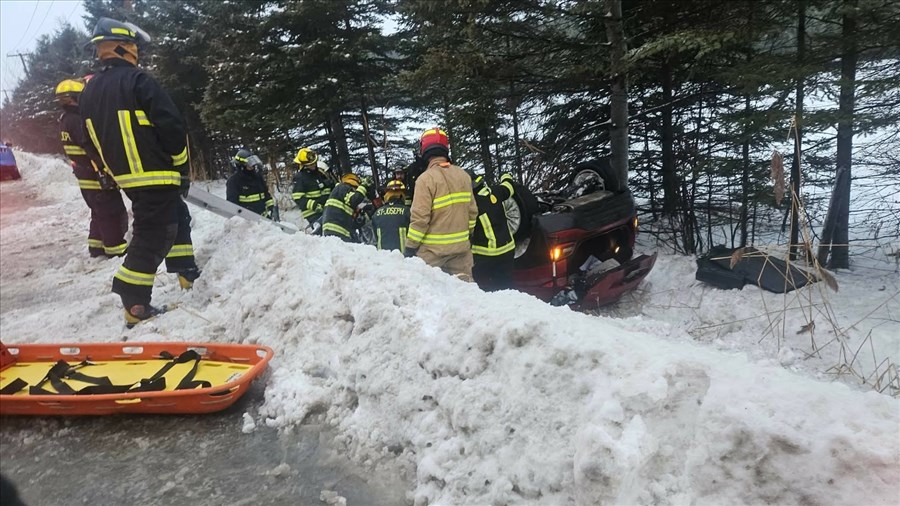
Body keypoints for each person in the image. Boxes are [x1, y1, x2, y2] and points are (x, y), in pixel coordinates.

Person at [79, 17, 201, 327]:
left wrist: (109, 171)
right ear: (123, 48)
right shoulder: (138, 81)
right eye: (133, 46)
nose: (136, 51)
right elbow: (172, 126)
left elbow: (88, 141)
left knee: (177, 216)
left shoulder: (89, 92)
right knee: (155, 232)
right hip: (156, 172)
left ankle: (185, 270)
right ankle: (133, 298)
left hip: (129, 178)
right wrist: (181, 167)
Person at [56, 78, 129, 258]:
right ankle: (116, 250)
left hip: (85, 174)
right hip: (95, 174)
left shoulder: (65, 119)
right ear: (75, 97)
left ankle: (96, 248)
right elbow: (92, 147)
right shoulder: (77, 120)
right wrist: (108, 168)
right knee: (111, 212)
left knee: (98, 212)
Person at [404, 128, 478, 281]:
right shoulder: (463, 176)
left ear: (424, 150)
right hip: (461, 253)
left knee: (430, 298)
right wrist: (468, 235)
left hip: (432, 256)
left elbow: (420, 219)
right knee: (466, 297)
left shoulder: (425, 179)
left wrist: (410, 248)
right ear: (445, 149)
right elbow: (472, 213)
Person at [468, 170, 517, 291]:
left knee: (484, 289)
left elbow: (468, 230)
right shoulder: (495, 192)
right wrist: (505, 175)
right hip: (508, 250)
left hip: (486, 254)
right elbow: (509, 187)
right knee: (505, 284)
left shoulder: (472, 205)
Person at [291, 147, 334, 229]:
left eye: (314, 163)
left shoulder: (318, 174)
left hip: (326, 209)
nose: (314, 165)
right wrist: (315, 206)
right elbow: (298, 197)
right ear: (303, 165)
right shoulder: (300, 177)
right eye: (310, 164)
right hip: (313, 213)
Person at [322, 173, 371, 242]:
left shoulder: (342, 195)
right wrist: (364, 186)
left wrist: (362, 218)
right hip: (336, 229)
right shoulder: (343, 187)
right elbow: (354, 200)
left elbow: (353, 223)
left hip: (341, 230)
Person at [226, 148, 273, 218]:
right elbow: (232, 204)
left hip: (264, 218)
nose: (253, 166)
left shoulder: (258, 177)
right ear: (241, 165)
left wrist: (272, 208)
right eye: (249, 164)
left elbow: (266, 195)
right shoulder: (234, 181)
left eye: (253, 163)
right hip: (247, 221)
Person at [371, 179, 410, 251]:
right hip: (403, 259)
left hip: (382, 258)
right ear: (401, 195)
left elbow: (374, 239)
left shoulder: (377, 213)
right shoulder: (407, 212)